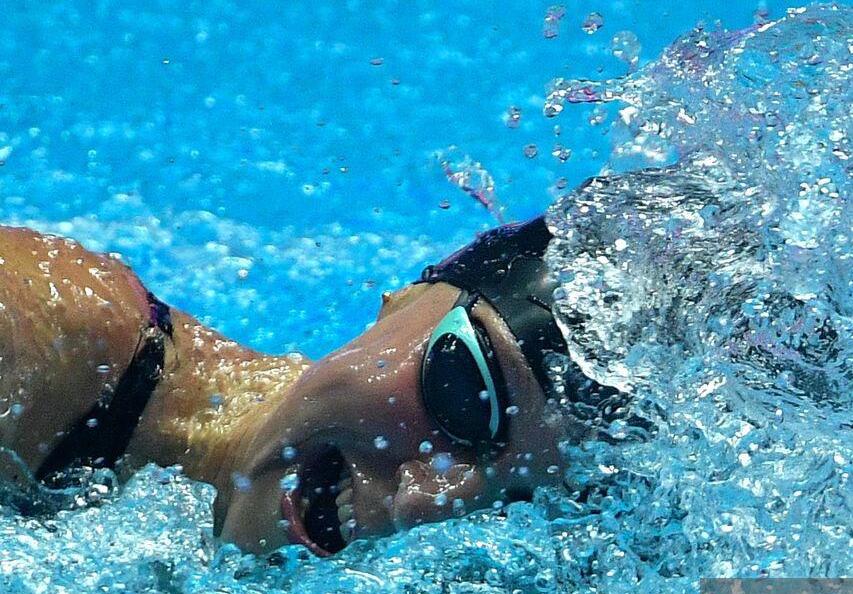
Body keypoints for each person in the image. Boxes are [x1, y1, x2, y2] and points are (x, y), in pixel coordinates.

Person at [0, 216, 586, 556]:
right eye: (463, 393)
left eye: (514, 506)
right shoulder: (54, 345)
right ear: (404, 299)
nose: (426, 500)